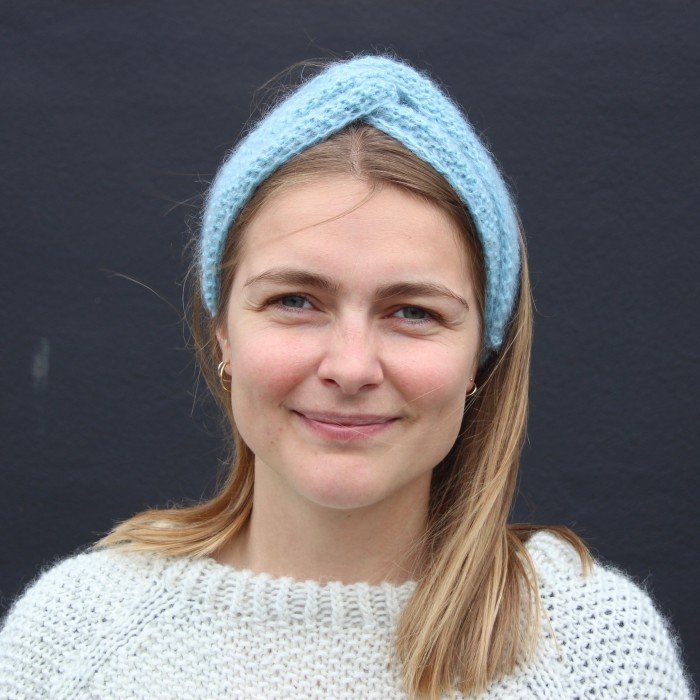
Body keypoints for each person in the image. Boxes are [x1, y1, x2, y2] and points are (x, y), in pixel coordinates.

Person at [0, 53, 694, 700]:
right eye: (295, 301)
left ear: (480, 356)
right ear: (223, 333)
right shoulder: (74, 632)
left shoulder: (593, 651)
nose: (351, 367)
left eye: (413, 312)